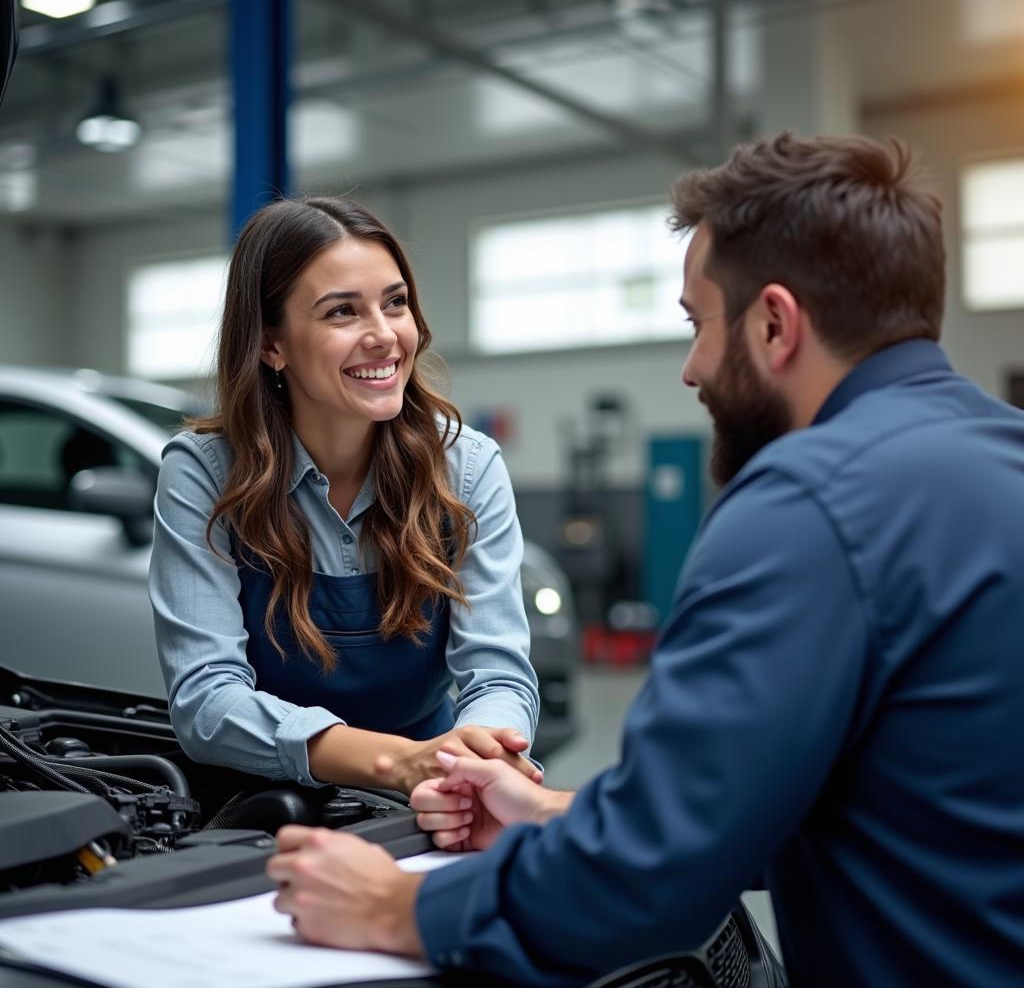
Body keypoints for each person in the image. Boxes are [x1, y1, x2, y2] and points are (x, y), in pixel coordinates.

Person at [265, 133, 1024, 987]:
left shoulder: (806, 506)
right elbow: (897, 810)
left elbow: (646, 881)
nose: (694, 369)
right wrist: (559, 811)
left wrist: (394, 908)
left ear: (775, 324)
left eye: (699, 324)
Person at [149, 197, 541, 796]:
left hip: (433, 792)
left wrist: (476, 767)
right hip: (260, 802)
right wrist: (399, 764)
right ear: (270, 344)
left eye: (395, 302)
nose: (384, 337)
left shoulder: (465, 467)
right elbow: (207, 700)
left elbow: (498, 676)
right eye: (341, 313)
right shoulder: (204, 473)